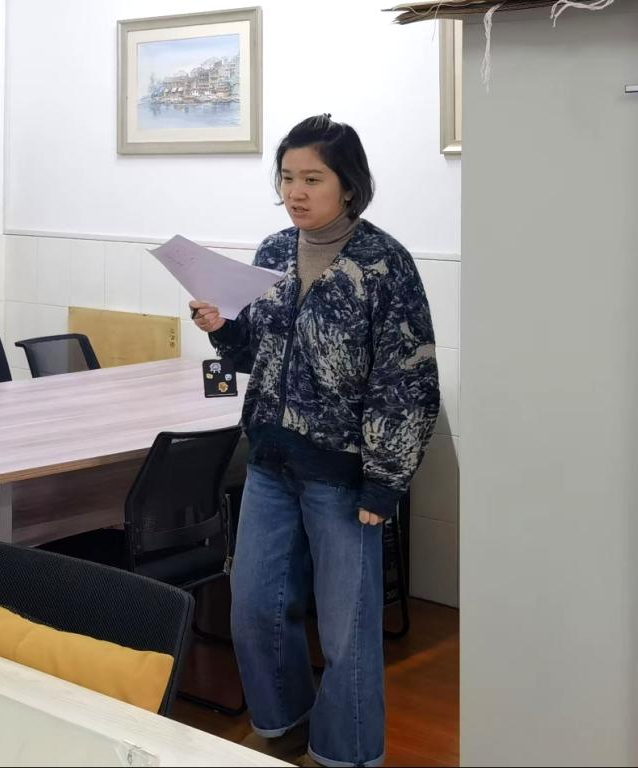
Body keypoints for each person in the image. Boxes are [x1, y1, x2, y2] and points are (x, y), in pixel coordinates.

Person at [190, 114, 439, 768]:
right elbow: (258, 352)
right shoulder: (274, 251)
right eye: (287, 178)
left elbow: (407, 380)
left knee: (347, 633)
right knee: (253, 610)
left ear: (348, 186)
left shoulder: (384, 263)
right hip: (271, 462)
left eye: (312, 179)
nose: (295, 192)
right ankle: (284, 728)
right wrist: (222, 327)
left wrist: (385, 484)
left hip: (346, 476)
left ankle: (346, 755)